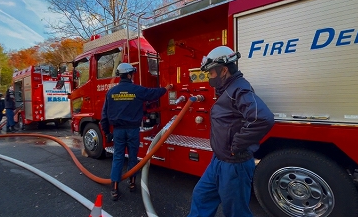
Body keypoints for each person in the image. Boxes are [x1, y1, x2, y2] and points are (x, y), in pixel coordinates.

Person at [188, 46, 274, 217]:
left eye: (211, 73)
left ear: (224, 70)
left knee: (236, 212)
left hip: (234, 165)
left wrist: (236, 145)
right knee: (201, 196)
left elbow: (263, 118)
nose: (209, 78)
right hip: (218, 160)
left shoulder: (239, 89)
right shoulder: (228, 89)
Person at [100, 63, 173, 201]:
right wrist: (166, 88)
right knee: (133, 157)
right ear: (129, 75)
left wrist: (106, 132)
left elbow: (104, 116)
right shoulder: (136, 90)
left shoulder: (111, 92)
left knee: (118, 158)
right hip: (133, 130)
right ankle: (132, 183)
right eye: (132, 74)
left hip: (118, 131)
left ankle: (114, 189)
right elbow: (153, 94)